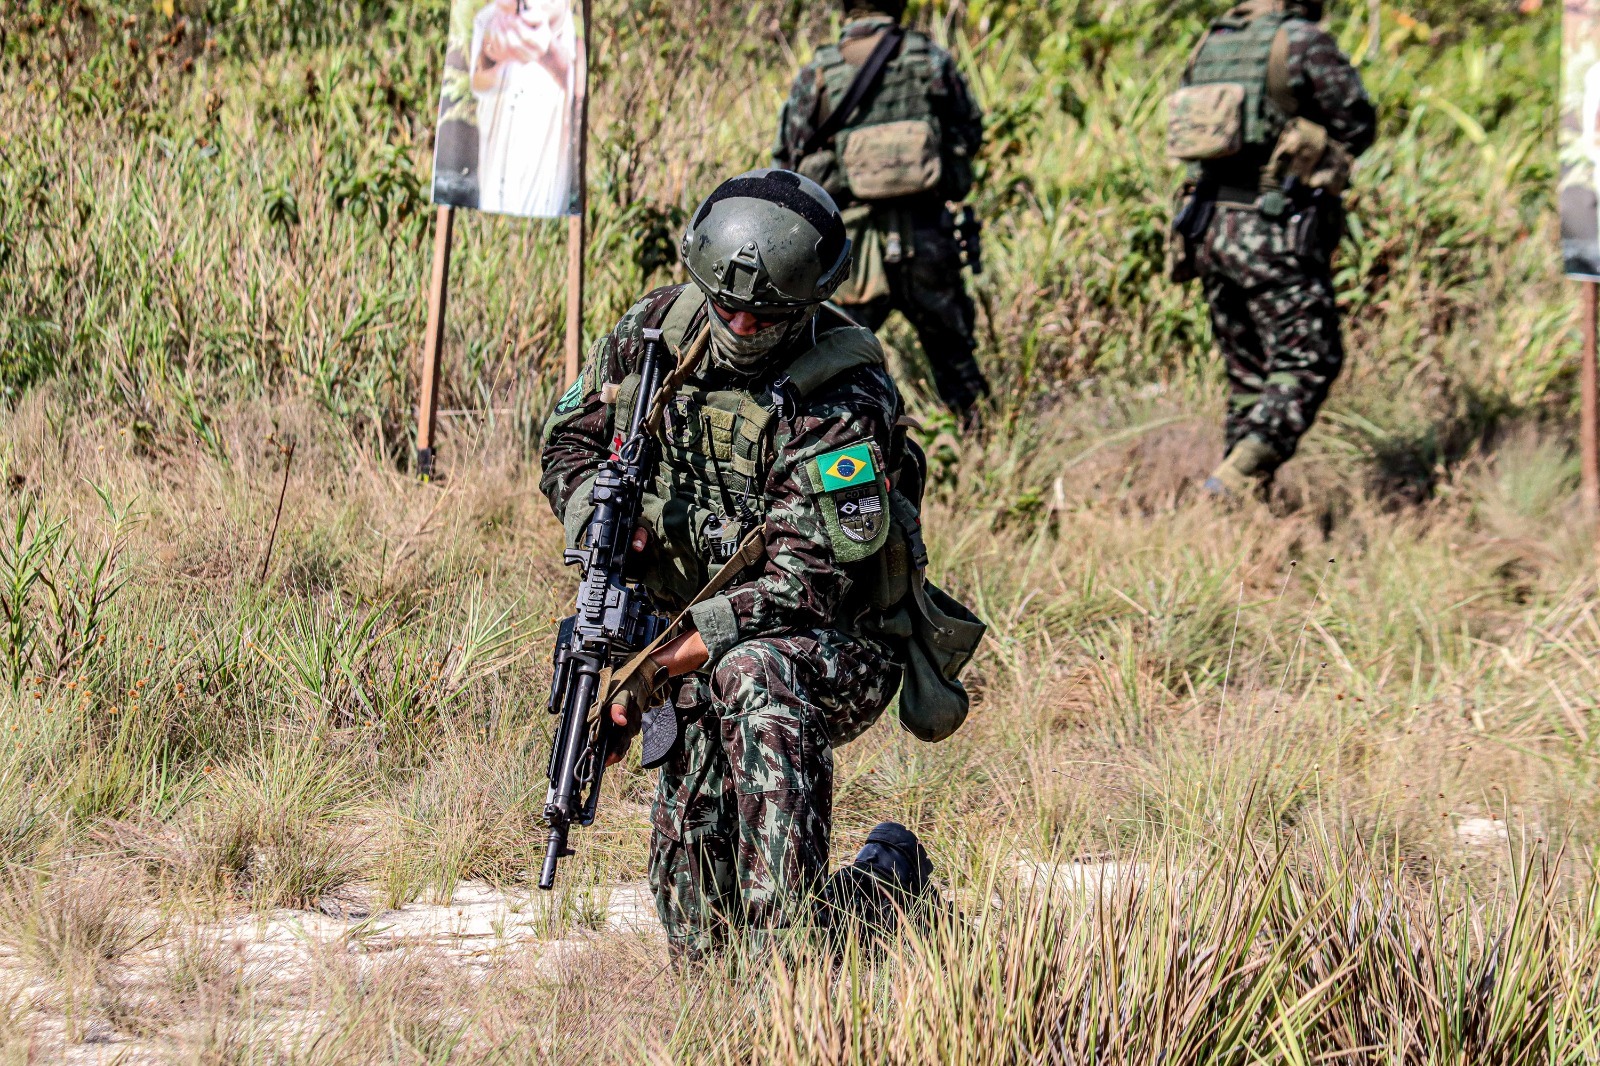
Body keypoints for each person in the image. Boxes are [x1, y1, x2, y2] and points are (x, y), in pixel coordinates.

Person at [540, 170, 935, 961]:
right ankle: (883, 891)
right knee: (699, 937)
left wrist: (653, 669)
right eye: (728, 307)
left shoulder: (844, 393)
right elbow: (568, 443)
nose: (742, 324)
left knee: (750, 672)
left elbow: (805, 582)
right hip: (684, 639)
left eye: (768, 315)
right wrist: (609, 522)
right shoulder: (656, 329)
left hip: (827, 645)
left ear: (808, 306)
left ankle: (789, 955)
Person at [1166, 0, 1377, 499]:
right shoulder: (1299, 39)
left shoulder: (1212, 40)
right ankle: (1234, 480)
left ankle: (1239, 506)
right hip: (1271, 229)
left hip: (1209, 227)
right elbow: (1357, 123)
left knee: (1249, 377)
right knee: (1309, 361)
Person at [772, 0, 990, 423]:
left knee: (827, 363)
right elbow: (969, 132)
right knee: (955, 359)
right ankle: (982, 442)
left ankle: (835, 448)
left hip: (851, 253)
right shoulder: (930, 59)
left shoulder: (819, 72)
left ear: (845, 10)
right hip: (929, 239)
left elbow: (788, 161)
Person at [469, 0, 579, 217]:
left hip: (545, 187)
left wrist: (547, 51)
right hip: (495, 180)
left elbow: (574, 81)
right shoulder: (488, 17)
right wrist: (502, 65)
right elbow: (477, 81)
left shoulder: (562, 16)